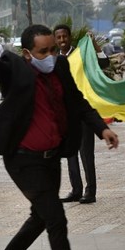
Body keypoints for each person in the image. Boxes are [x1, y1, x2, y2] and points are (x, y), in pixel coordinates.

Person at [0, 14, 119, 250]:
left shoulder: (60, 66)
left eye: (54, 50)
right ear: (27, 53)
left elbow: (78, 101)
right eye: (43, 51)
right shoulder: (16, 69)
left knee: (40, 217)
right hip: (23, 160)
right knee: (56, 219)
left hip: (51, 158)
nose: (51, 55)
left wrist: (101, 128)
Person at [54, 24, 110, 204]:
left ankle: (90, 191)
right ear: (55, 40)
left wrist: (94, 44)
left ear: (70, 37)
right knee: (70, 153)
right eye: (59, 37)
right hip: (65, 116)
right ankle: (76, 190)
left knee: (86, 154)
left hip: (83, 112)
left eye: (65, 36)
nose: (62, 40)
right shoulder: (53, 59)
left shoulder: (82, 54)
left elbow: (103, 63)